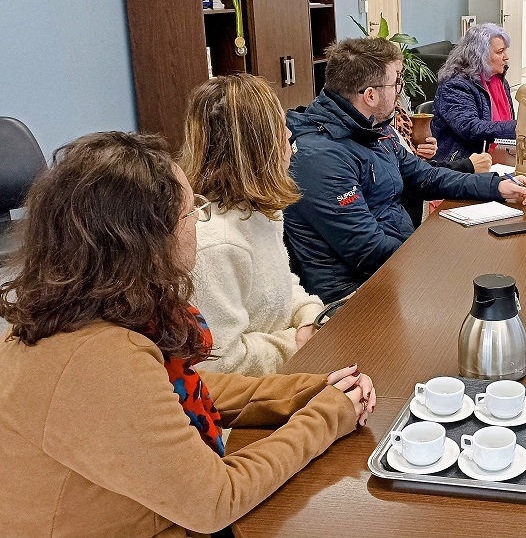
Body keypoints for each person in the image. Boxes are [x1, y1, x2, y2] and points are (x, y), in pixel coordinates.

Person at [0, 132, 376, 537]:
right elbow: (215, 499)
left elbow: (175, 390)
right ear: (145, 241)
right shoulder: (98, 361)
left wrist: (305, 392)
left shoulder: (84, 315)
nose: (198, 218)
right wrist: (326, 417)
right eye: (189, 210)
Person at [284, 37, 526, 303]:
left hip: (397, 269)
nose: (400, 91)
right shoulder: (320, 157)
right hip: (354, 298)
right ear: (370, 95)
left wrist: (495, 185)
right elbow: (367, 251)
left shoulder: (372, 127)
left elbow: (425, 176)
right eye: (396, 83)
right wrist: (441, 257)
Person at [178, 74, 324, 376]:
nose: (288, 135)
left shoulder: (258, 211)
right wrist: (293, 343)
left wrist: (310, 317)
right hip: (247, 408)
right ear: (257, 146)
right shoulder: (212, 243)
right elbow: (220, 364)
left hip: (282, 376)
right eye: (279, 127)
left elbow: (281, 288)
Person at [390, 103, 491, 228]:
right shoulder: (383, 131)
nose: (397, 91)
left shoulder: (395, 117)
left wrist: (420, 151)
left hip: (419, 207)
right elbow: (419, 176)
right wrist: (467, 166)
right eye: (395, 85)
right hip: (413, 216)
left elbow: (413, 166)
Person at [431, 23, 517, 161]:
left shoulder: (498, 80)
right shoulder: (454, 85)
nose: (506, 57)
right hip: (462, 162)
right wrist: (518, 127)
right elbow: (470, 128)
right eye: (500, 52)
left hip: (497, 153)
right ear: (480, 55)